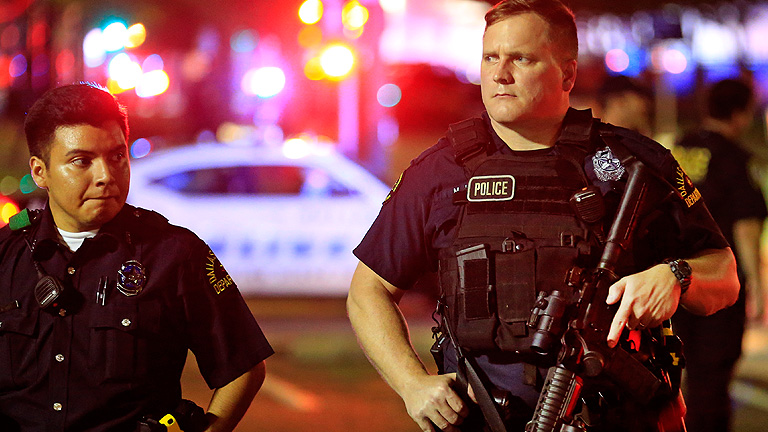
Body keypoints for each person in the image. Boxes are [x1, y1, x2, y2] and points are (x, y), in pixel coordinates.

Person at [347, 1, 740, 431]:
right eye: (490, 58)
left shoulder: (632, 163)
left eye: (521, 58)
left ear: (567, 75)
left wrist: (676, 276)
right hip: (485, 419)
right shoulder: (439, 172)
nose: (500, 74)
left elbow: (724, 274)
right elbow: (369, 290)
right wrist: (411, 383)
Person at [0, 83, 274, 432]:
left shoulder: (174, 254)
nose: (105, 176)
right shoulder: (6, 254)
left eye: (117, 156)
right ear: (40, 172)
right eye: (82, 161)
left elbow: (244, 366)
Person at [672, 78, 767, 432]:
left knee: (679, 373)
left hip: (673, 279)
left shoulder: (679, 149)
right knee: (712, 375)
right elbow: (745, 226)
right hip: (718, 284)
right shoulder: (734, 158)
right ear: (740, 114)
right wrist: (756, 286)